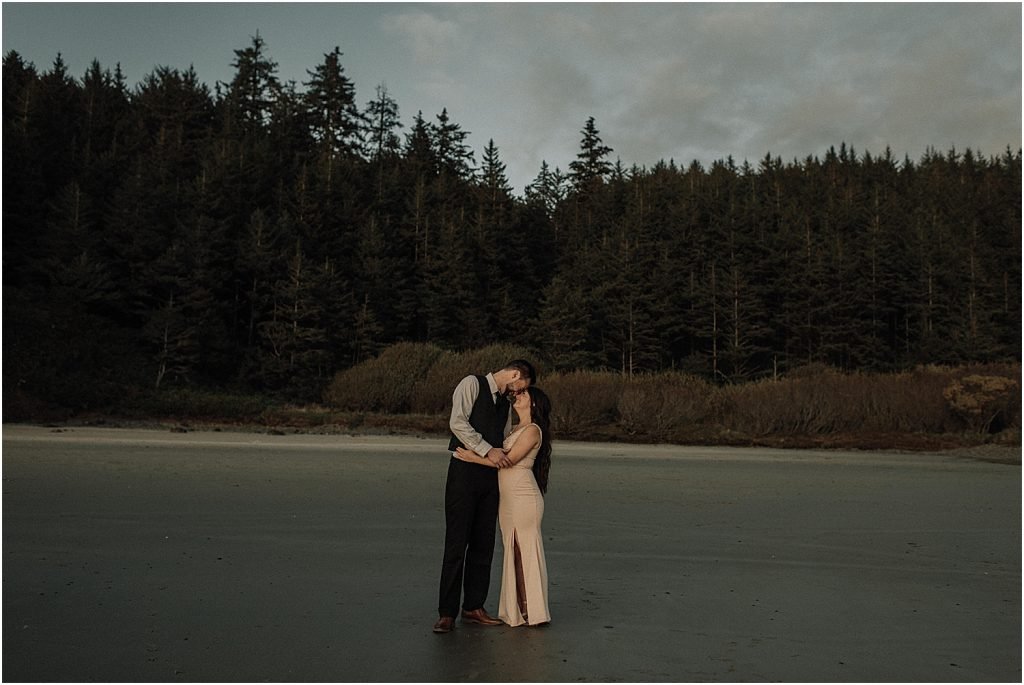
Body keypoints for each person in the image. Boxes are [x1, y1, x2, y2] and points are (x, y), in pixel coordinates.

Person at [433, 359, 537, 634]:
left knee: (483, 544)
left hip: (491, 479)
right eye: (520, 387)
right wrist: (485, 450)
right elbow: (457, 422)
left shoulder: (504, 403)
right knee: (456, 544)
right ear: (514, 374)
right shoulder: (471, 383)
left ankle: (474, 607)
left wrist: (500, 455)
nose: (517, 393)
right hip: (463, 474)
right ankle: (446, 613)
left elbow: (502, 440)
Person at [453, 386, 553, 627]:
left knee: (524, 549)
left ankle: (532, 610)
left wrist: (472, 457)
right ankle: (519, 608)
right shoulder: (515, 427)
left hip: (523, 496)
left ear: (534, 404)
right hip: (508, 498)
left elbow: (508, 461)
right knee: (513, 548)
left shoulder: (532, 431)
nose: (517, 396)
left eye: (523, 395)